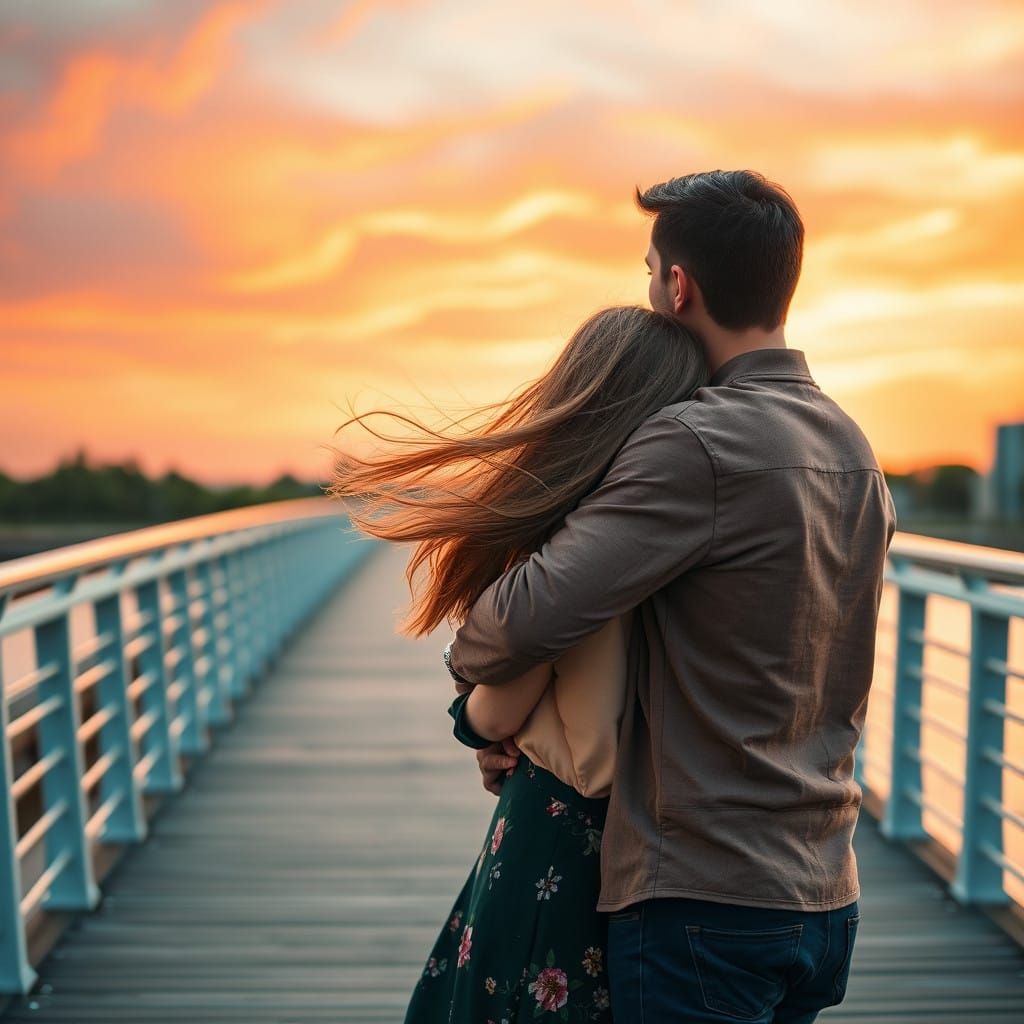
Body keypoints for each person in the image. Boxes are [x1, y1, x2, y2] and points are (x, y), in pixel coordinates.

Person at [447, 170, 897, 1023]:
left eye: (649, 267)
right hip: (824, 892)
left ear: (677, 286)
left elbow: (526, 615)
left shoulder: (697, 442)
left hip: (703, 905)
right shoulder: (853, 446)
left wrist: (470, 696)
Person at [327, 305, 708, 1022]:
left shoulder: (574, 557)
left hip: (557, 844)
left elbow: (498, 711)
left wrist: (467, 716)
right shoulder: (686, 541)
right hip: (661, 853)